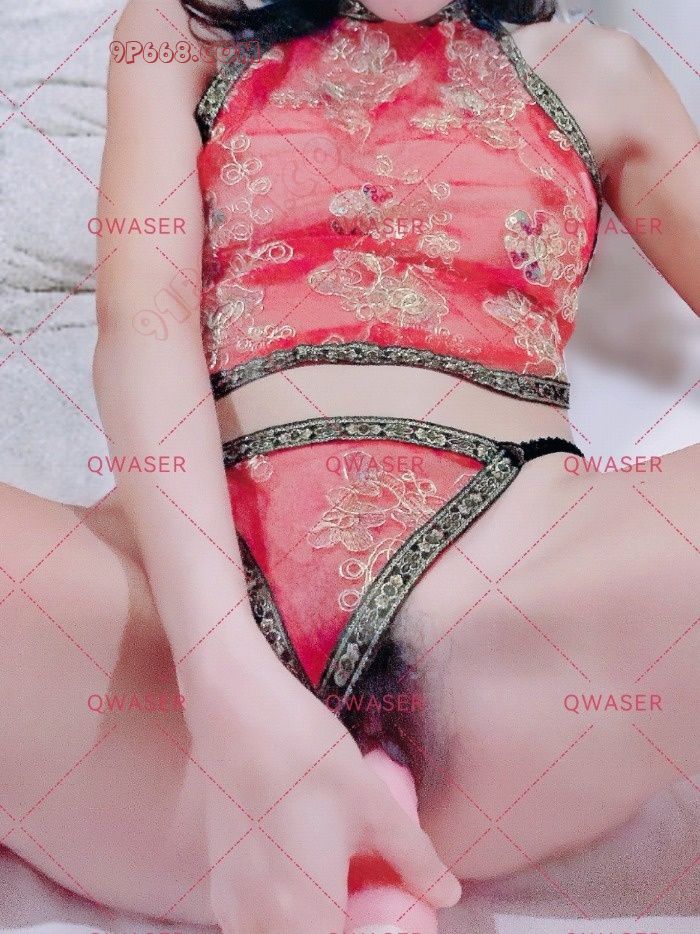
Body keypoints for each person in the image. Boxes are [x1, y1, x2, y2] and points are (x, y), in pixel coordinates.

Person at [1, 0, 698, 931]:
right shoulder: (181, 30)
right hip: (168, 671)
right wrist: (228, 685)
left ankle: (367, 850)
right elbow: (141, 321)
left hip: (508, 633)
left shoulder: (599, 71)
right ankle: (352, 856)